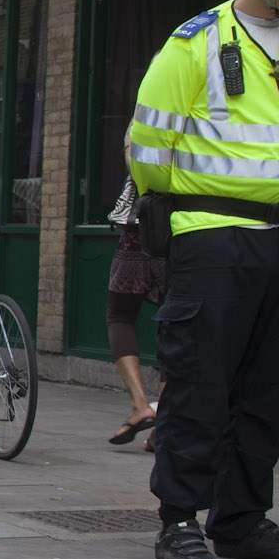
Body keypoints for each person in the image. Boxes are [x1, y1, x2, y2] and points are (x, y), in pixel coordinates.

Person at [131, 0, 279, 559]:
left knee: (269, 391)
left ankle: (241, 518)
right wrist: (188, 213)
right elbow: (147, 147)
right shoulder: (196, 43)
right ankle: (179, 520)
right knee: (198, 385)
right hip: (215, 237)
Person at [105, 147, 166, 447]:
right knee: (177, 323)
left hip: (139, 230)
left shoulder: (148, 114)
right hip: (183, 234)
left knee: (120, 316)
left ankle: (140, 405)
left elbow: (136, 163)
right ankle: (164, 423)